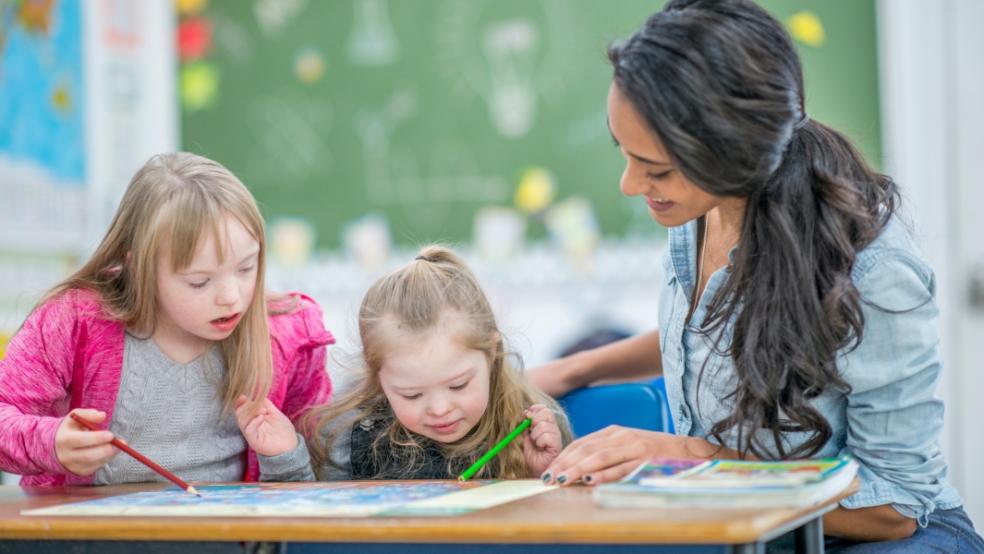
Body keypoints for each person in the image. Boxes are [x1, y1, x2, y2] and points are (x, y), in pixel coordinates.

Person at [526, 0, 984, 549]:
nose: (629, 184)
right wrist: (572, 370)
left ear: (733, 154)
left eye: (657, 170)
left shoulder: (872, 269)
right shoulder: (698, 211)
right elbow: (712, 336)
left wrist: (688, 457)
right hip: (753, 532)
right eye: (624, 153)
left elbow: (896, 506)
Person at [0, 152, 334, 486]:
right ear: (139, 268)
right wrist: (50, 443)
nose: (232, 296)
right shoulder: (74, 321)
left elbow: (319, 473)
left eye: (247, 267)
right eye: (199, 281)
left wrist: (286, 456)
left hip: (231, 522)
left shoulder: (290, 334)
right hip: (89, 521)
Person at [239, 245, 569, 481]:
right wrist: (284, 460)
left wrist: (544, 476)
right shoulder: (345, 436)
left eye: (458, 385)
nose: (439, 409)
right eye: (412, 394)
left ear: (492, 354)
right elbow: (310, 531)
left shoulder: (533, 425)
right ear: (378, 377)